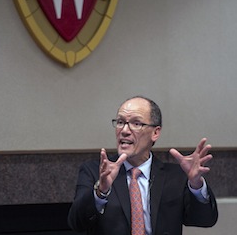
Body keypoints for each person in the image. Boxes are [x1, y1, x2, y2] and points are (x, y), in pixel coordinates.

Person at [68, 95, 218, 235]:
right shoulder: (95, 172)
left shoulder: (176, 176)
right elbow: (77, 224)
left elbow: (205, 220)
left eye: (136, 123)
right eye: (120, 122)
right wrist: (101, 191)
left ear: (155, 133)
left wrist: (196, 185)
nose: (125, 130)